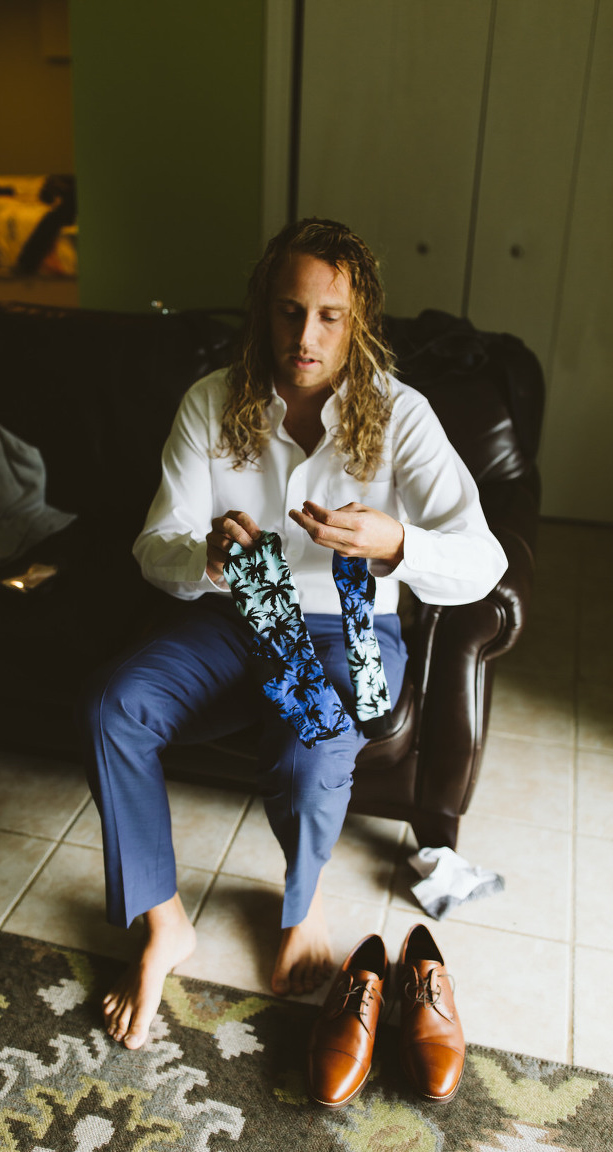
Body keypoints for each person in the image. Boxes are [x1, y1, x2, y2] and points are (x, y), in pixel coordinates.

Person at [82, 218, 507, 1050]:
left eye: (328, 317)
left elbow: (483, 561)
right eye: (287, 312)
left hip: (349, 627)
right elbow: (151, 549)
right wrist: (204, 556)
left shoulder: (401, 416)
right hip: (231, 615)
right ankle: (163, 922)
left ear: (360, 321)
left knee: (310, 748)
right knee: (112, 705)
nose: (303, 337)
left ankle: (301, 908)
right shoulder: (210, 400)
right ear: (262, 310)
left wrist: (398, 544)